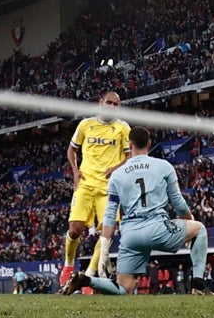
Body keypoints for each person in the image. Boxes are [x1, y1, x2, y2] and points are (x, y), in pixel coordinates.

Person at [61, 125, 214, 296]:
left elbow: (110, 215)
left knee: (123, 288)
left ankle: (86, 280)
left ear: (129, 143)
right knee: (199, 229)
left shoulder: (117, 176)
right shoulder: (164, 166)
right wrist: (188, 222)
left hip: (131, 235)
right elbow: (178, 202)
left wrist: (104, 249)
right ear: (149, 143)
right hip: (158, 229)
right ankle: (199, 285)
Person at [59, 91, 131, 287]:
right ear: (101, 103)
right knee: (75, 228)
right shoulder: (85, 124)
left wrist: (115, 168)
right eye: (109, 102)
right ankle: (68, 264)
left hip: (108, 188)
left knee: (106, 233)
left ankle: (88, 277)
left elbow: (129, 155)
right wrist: (75, 171)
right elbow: (72, 149)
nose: (112, 106)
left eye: (116, 104)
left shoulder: (123, 128)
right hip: (85, 183)